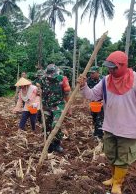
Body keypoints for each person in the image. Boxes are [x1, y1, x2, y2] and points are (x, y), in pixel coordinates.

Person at [78, 51, 136, 194]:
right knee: (110, 154)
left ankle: (117, 184)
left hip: (129, 128)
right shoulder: (106, 81)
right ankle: (113, 177)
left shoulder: (134, 80)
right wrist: (83, 86)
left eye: (114, 67)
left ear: (122, 65)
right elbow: (92, 95)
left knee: (123, 157)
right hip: (110, 126)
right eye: (109, 67)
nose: (110, 70)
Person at [40, 64, 71, 153]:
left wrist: (69, 108)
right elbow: (40, 91)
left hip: (58, 106)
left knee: (56, 124)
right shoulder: (43, 79)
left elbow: (66, 95)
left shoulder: (63, 79)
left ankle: (57, 144)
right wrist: (39, 92)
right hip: (46, 106)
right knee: (45, 124)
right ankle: (49, 144)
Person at [87, 66, 104, 139]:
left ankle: (99, 135)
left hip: (102, 103)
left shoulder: (103, 80)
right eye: (90, 73)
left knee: (99, 119)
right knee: (94, 118)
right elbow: (88, 91)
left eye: (93, 73)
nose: (91, 75)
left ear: (98, 73)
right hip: (93, 103)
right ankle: (96, 132)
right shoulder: (89, 80)